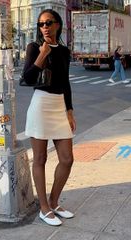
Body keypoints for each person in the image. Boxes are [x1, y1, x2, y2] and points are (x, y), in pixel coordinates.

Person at [22, 9, 76, 226]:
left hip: (59, 105)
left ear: (58, 25)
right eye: (41, 24)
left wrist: (70, 111)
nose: (44, 26)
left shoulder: (64, 51)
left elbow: (65, 82)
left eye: (48, 23)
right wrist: (42, 54)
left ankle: (54, 201)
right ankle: (44, 208)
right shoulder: (34, 47)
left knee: (67, 158)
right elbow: (27, 78)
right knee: (40, 158)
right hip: (41, 104)